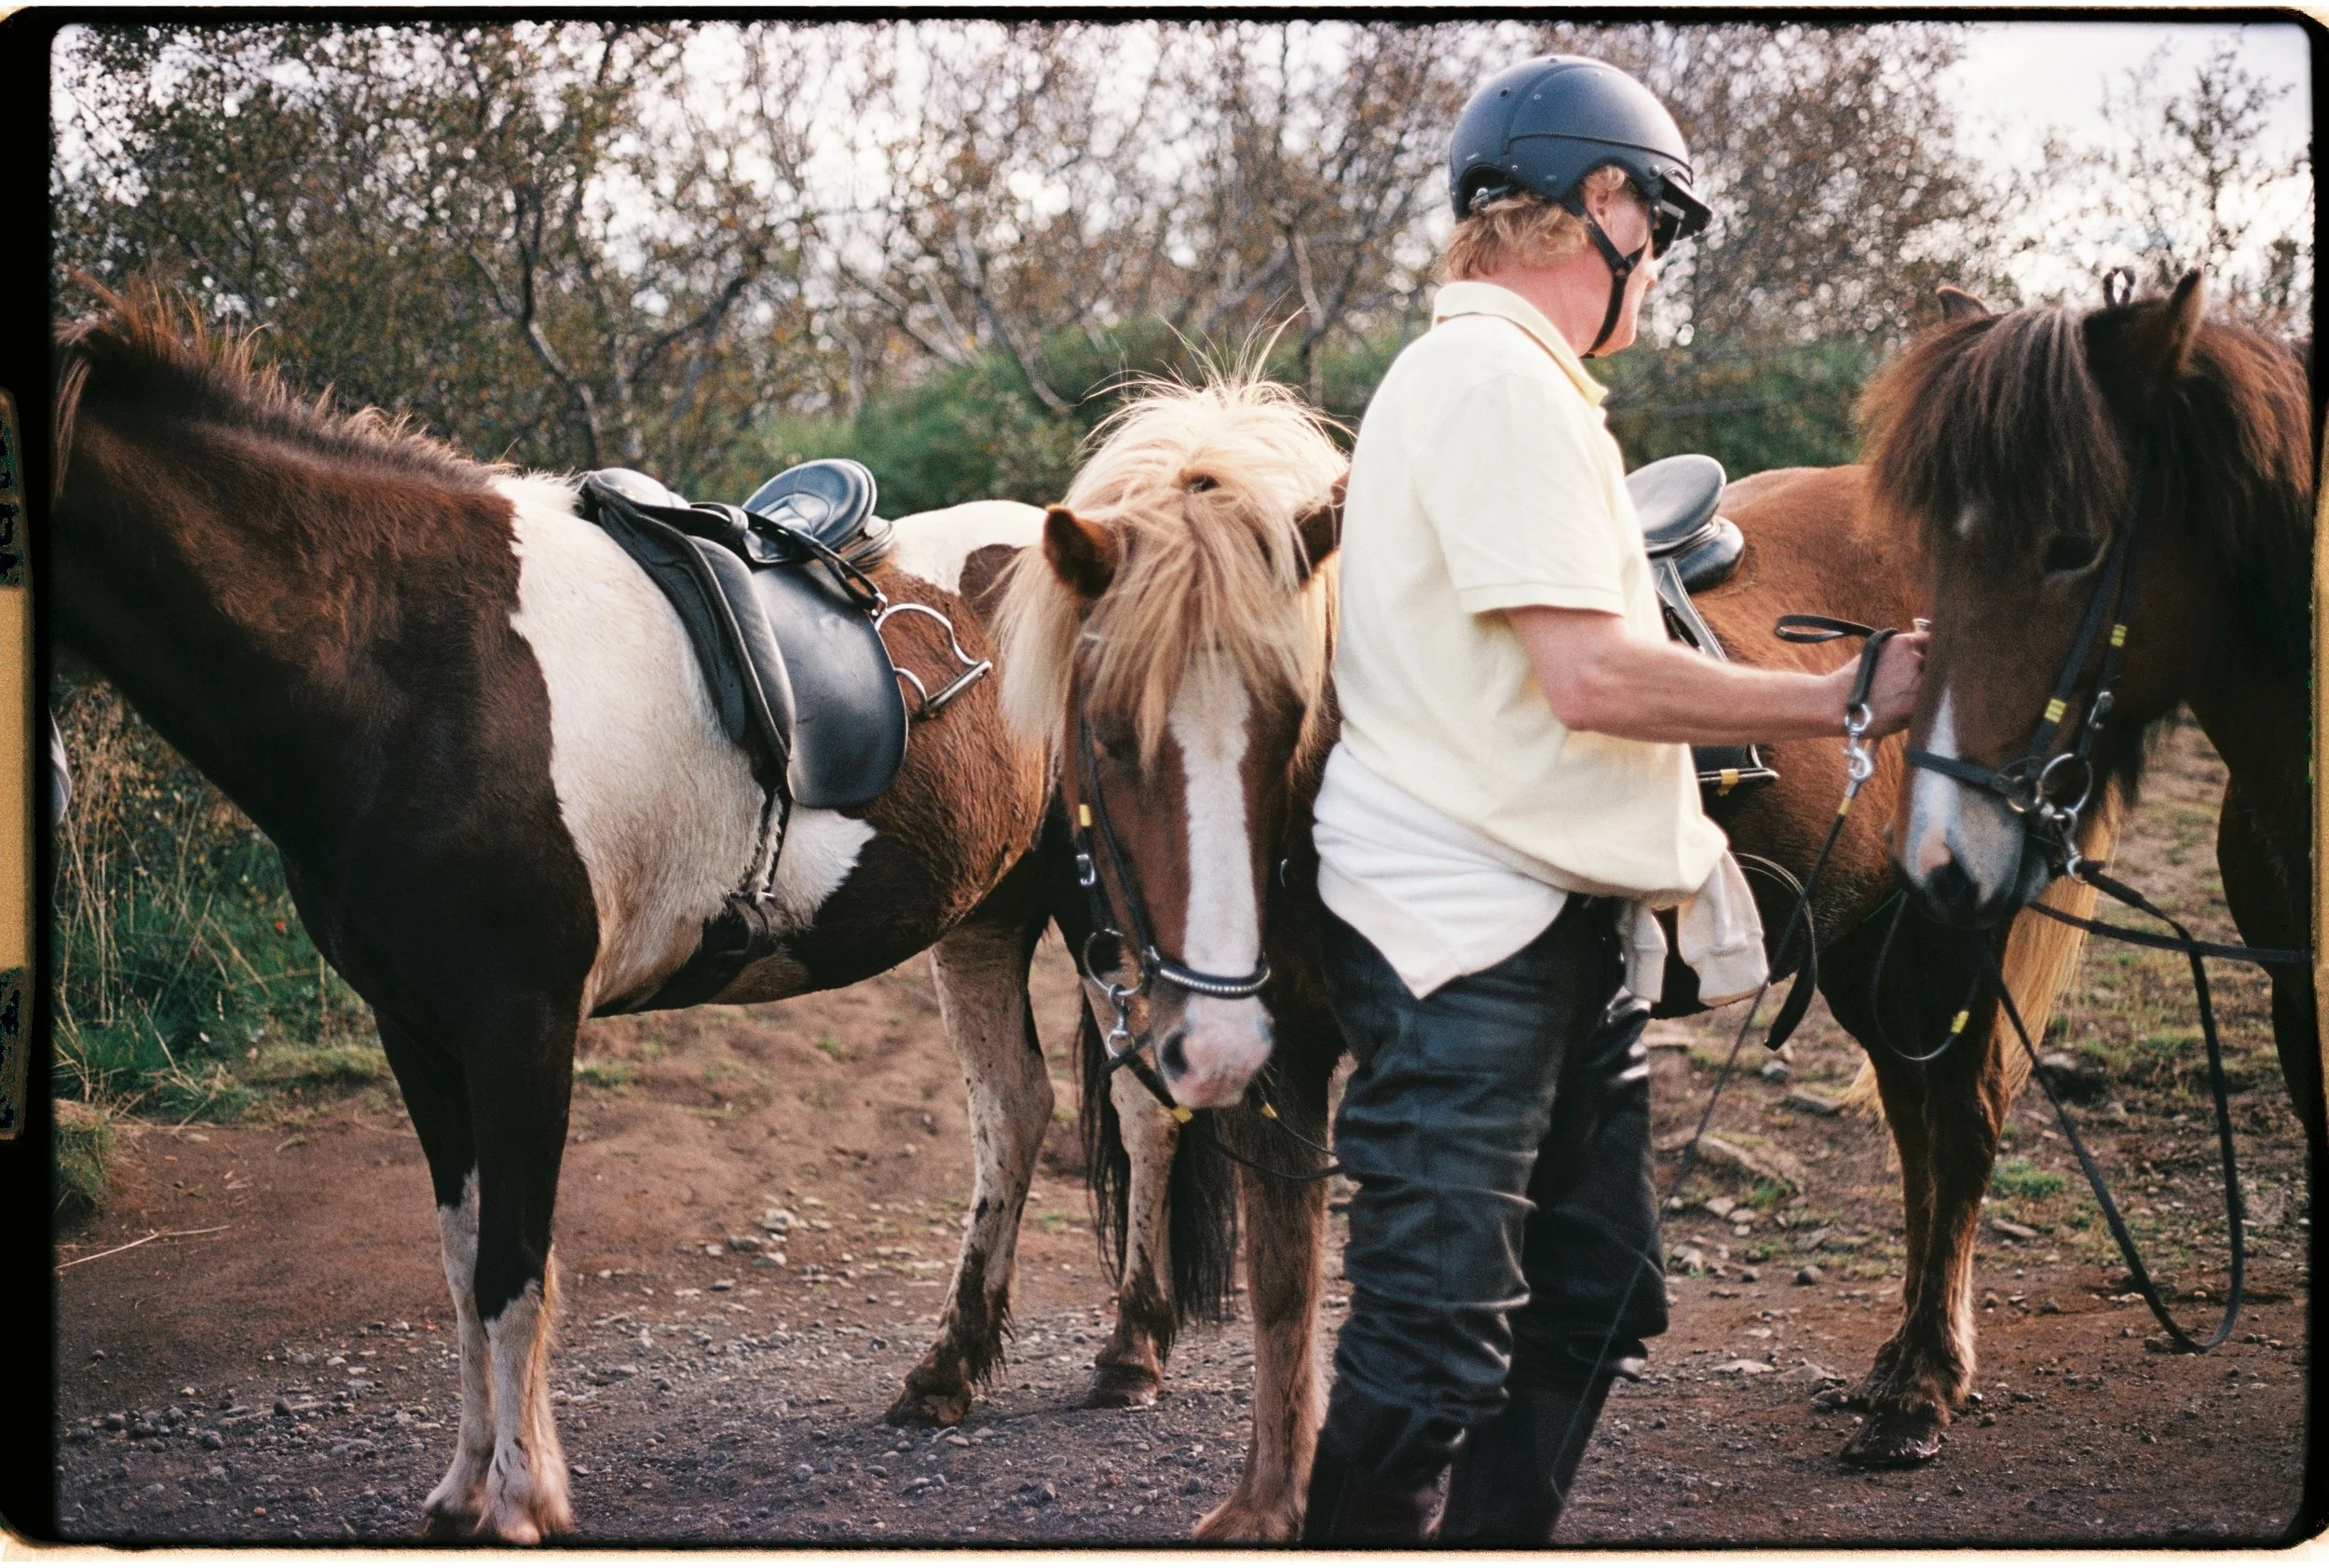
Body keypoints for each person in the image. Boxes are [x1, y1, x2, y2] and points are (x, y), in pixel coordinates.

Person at [1301, 55, 1927, 1545]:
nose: (1662, 261)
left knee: (1591, 1292)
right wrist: (1839, 697)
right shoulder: (1495, 382)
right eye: (1662, 221)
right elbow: (1590, 677)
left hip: (1565, 931)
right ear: (1604, 205)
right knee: (1428, 1347)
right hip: (1468, 939)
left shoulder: (1518, 386)